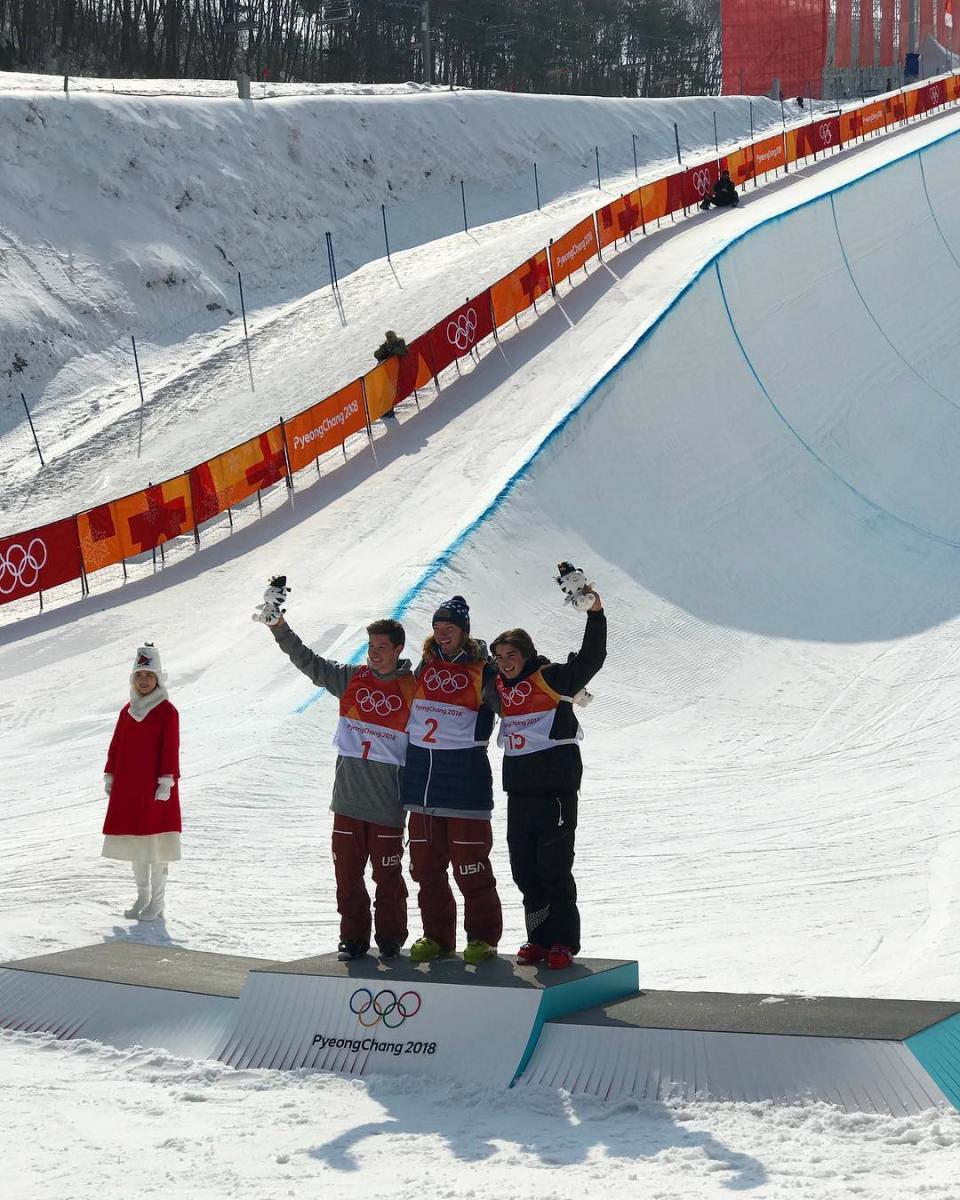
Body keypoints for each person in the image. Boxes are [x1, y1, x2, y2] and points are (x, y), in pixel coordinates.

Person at [255, 578, 416, 960]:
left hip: (388, 806)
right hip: (346, 802)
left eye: (381, 648)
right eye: (370, 646)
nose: (374, 654)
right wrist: (279, 626)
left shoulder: (414, 686)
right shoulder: (351, 679)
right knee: (347, 878)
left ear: (397, 649)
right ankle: (354, 939)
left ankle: (391, 939)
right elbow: (308, 661)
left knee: (388, 880)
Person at [491, 590, 606, 970]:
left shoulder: (553, 677)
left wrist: (595, 613)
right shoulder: (501, 688)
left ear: (526, 655)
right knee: (525, 872)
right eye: (500, 657)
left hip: (555, 793)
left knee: (554, 869)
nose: (505, 663)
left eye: (512, 656)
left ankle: (563, 942)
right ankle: (537, 938)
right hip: (519, 795)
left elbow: (592, 658)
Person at [402, 595, 503, 964]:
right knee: (426, 870)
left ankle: (483, 938)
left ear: (464, 631)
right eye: (437, 628)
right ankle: (436, 937)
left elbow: (513, 704)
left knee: (471, 868)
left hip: (465, 786)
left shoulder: (483, 669)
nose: (443, 634)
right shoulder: (425, 666)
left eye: (450, 628)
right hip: (423, 787)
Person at [102, 644, 181, 922]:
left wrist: (166, 781)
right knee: (137, 845)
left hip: (157, 790)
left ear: (158, 678)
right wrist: (110, 773)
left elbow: (170, 748)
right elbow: (117, 745)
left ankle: (158, 902)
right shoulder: (127, 711)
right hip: (130, 790)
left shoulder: (166, 711)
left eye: (149, 675)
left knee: (157, 846)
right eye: (139, 675)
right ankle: (143, 897)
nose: (144, 680)